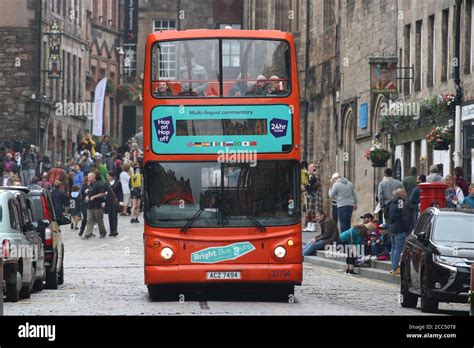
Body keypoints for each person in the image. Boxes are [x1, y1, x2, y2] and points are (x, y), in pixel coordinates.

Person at [386, 188, 412, 275]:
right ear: (401, 195)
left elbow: (386, 214)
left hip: (392, 228)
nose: (406, 194)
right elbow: (405, 217)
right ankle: (395, 268)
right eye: (404, 193)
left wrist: (389, 224)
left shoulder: (390, 202)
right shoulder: (401, 203)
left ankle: (393, 267)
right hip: (400, 229)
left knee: (393, 248)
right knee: (398, 249)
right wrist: (408, 228)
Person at [83, 172, 107, 239]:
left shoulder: (98, 184)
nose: (88, 178)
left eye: (89, 177)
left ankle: (103, 233)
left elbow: (103, 193)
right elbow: (90, 192)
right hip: (90, 205)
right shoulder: (90, 185)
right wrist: (87, 196)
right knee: (89, 220)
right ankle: (88, 234)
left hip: (97, 205)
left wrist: (94, 197)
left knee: (99, 220)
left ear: (94, 177)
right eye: (88, 177)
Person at [303, 163, 322, 232]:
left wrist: (309, 187)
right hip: (310, 195)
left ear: (314, 168)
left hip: (315, 195)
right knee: (309, 211)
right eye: (308, 168)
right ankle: (309, 225)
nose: (309, 170)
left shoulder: (316, 175)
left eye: (310, 168)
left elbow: (317, 184)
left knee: (313, 210)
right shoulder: (310, 175)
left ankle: (313, 226)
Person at [105, 171, 123, 237]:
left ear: (112, 176)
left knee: (114, 216)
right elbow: (104, 192)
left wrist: (121, 201)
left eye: (108, 176)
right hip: (109, 202)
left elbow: (120, 192)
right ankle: (111, 231)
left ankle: (115, 230)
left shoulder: (118, 183)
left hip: (115, 201)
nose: (107, 177)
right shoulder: (106, 183)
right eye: (107, 176)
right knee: (110, 216)